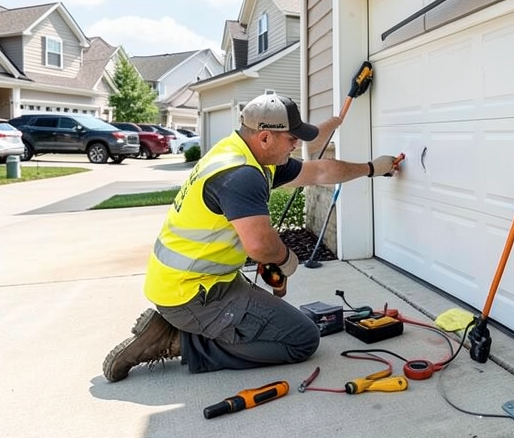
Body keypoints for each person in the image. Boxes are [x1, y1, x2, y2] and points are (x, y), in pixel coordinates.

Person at [102, 93, 400, 382]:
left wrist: (373, 168)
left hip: (201, 283)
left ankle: (177, 328)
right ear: (265, 137)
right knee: (301, 340)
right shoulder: (240, 174)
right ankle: (175, 340)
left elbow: (320, 172)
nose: (296, 145)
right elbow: (259, 246)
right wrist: (286, 260)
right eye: (292, 138)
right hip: (192, 294)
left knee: (286, 326)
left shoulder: (245, 154)